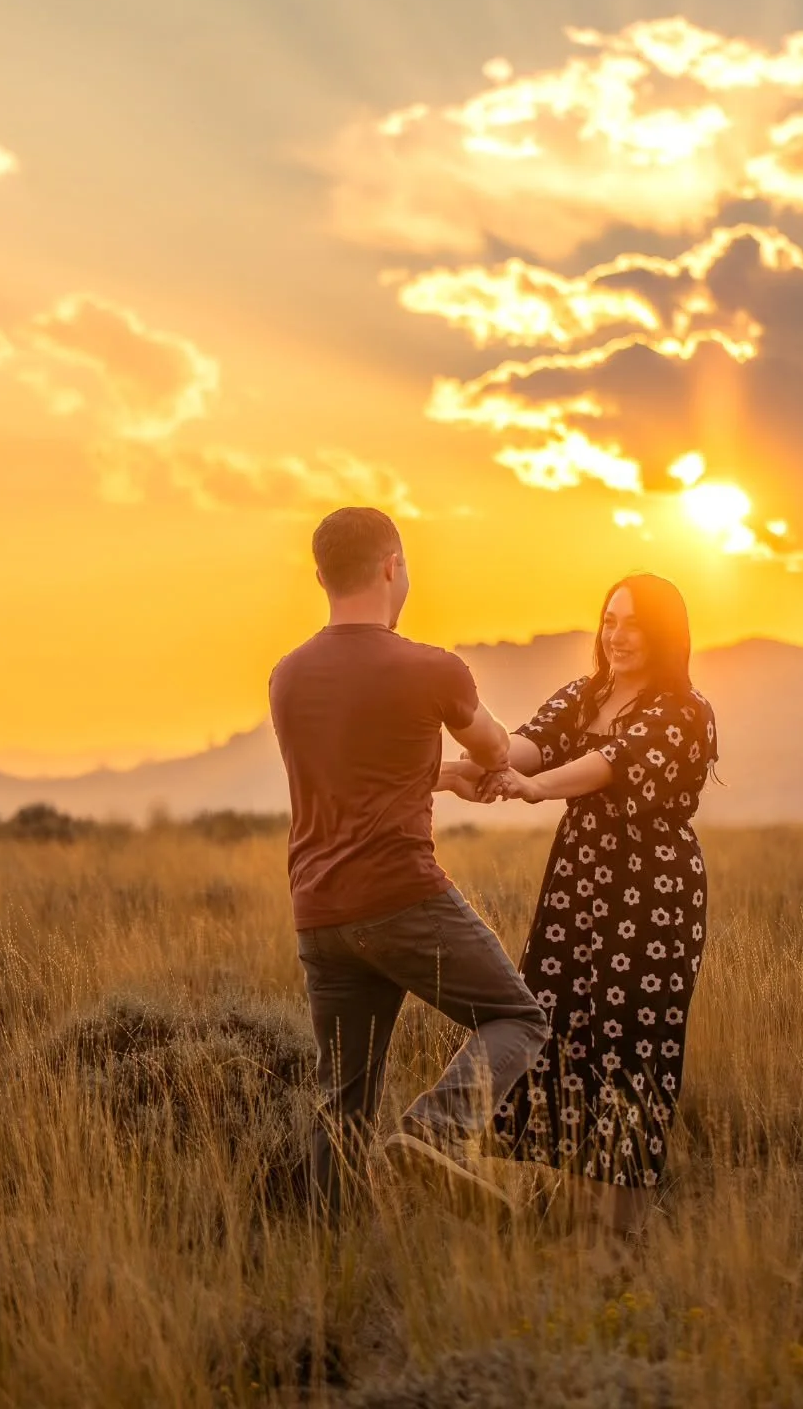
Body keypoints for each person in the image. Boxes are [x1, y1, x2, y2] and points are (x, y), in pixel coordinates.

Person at [268, 506, 549, 1220]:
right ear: (392, 565)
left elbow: (350, 773)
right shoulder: (432, 668)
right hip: (401, 897)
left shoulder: (288, 675)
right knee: (518, 1018)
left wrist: (439, 776)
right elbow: (495, 748)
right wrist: (482, 764)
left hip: (320, 912)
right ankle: (436, 1131)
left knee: (345, 1102)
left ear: (321, 577)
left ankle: (325, 1250)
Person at [485, 574, 717, 1239]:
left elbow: (611, 763)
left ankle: (623, 1233)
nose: (618, 635)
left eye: (635, 623)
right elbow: (528, 745)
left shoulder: (684, 710)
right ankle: (579, 1218)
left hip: (652, 896)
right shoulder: (583, 694)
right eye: (611, 620)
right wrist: (471, 760)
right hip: (577, 886)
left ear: (664, 634)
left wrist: (535, 789)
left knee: (633, 1043)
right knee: (560, 1028)